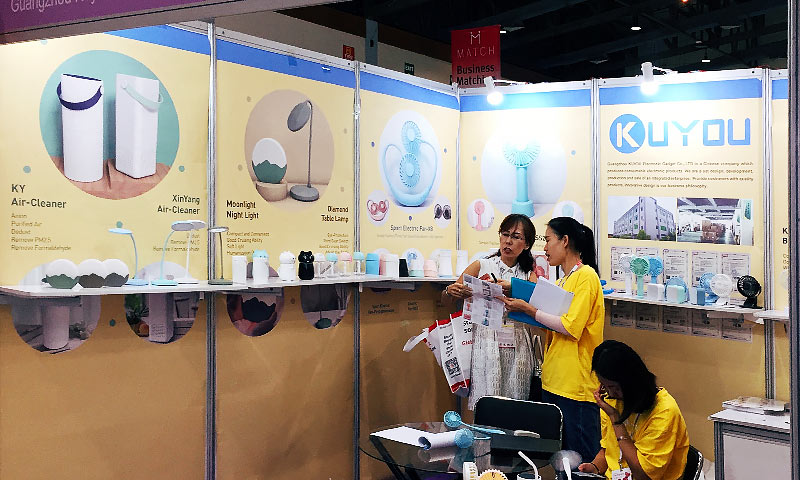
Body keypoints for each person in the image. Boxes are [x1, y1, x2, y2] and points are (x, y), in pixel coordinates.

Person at [497, 216, 604, 462]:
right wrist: (514, 291)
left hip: (576, 386)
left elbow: (570, 327)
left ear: (565, 241)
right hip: (554, 382)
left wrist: (529, 309)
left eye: (548, 240)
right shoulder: (562, 281)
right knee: (560, 462)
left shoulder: (586, 276)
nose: (544, 248)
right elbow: (547, 317)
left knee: (580, 464)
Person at [442, 213, 538, 410]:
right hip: (486, 343)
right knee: (487, 405)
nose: (508, 241)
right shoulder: (482, 265)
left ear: (527, 244)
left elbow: (537, 311)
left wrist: (516, 294)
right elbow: (447, 300)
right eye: (505, 234)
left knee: (516, 406)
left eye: (516, 237)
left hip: (518, 344)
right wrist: (450, 291)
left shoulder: (529, 275)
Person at [578, 340, 689, 480]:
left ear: (631, 382)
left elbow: (643, 475)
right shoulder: (611, 400)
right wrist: (595, 467)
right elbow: (609, 450)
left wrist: (616, 420)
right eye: (604, 385)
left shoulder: (664, 411)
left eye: (614, 387)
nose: (609, 393)